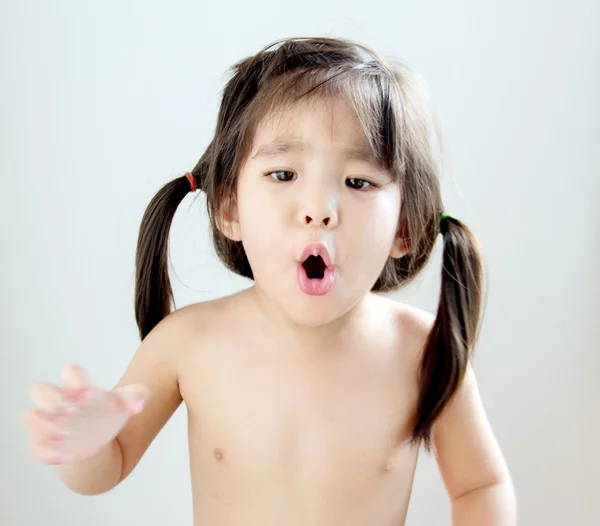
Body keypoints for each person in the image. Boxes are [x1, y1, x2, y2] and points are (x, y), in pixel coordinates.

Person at [21, 36, 516, 525]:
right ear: (229, 207)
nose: (319, 210)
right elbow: (110, 465)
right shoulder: (188, 342)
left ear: (404, 226)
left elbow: (481, 485)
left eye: (358, 182)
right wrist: (82, 446)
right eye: (283, 174)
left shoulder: (421, 351)